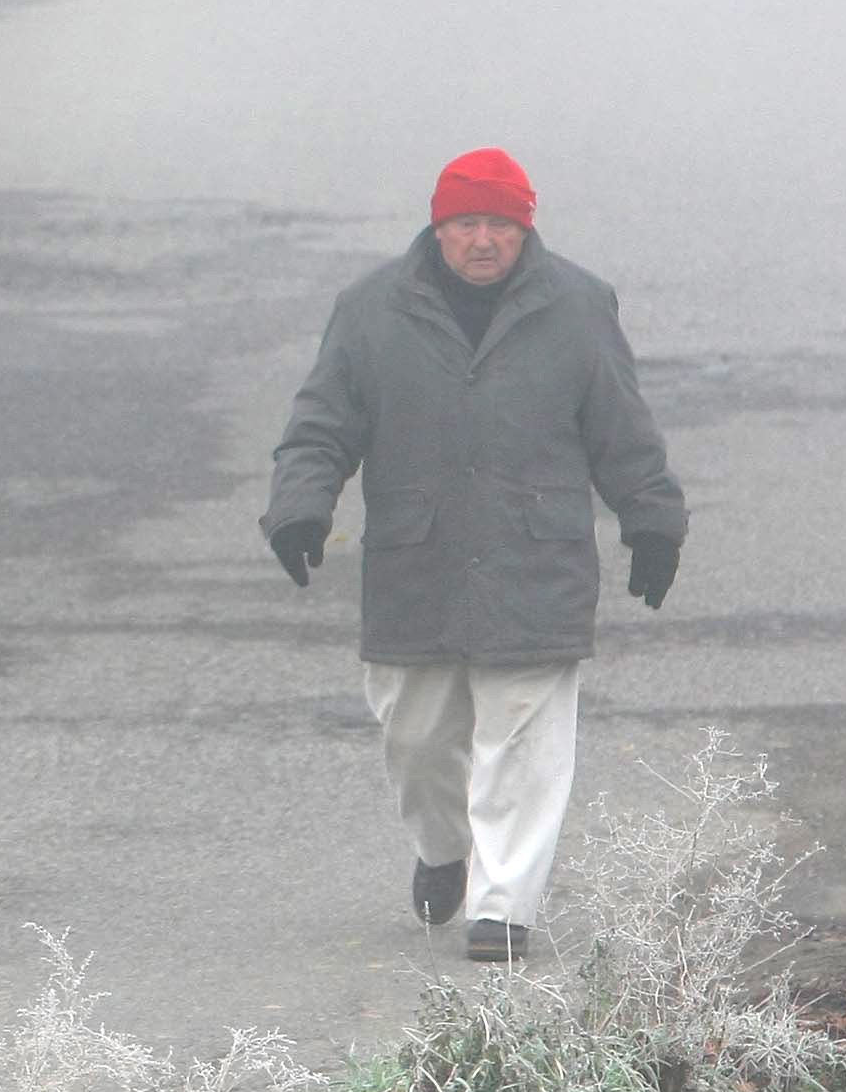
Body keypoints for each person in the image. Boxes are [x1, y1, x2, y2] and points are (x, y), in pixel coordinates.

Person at [260, 148, 687, 964]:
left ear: (525, 227)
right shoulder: (370, 309)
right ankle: (442, 846)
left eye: (500, 224)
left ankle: (502, 907)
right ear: (439, 225)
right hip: (415, 561)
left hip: (536, 561)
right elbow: (320, 424)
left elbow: (622, 428)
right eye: (466, 224)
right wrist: (299, 508)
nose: (483, 240)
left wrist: (653, 520)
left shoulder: (579, 306)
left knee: (522, 742)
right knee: (417, 739)